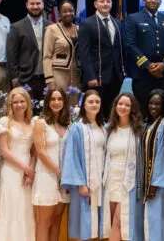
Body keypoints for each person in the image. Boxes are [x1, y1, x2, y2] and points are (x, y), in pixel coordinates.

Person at [61, 89, 106, 240]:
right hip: (84, 183)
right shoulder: (77, 128)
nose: (94, 105)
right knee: (83, 225)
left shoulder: (103, 127)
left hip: (100, 182)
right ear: (83, 105)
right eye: (90, 102)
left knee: (96, 225)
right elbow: (72, 157)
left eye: (97, 102)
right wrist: (81, 183)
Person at [0, 87, 36, 241]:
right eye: (15, 102)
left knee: (25, 210)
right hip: (11, 171)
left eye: (22, 101)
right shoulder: (4, 122)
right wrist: (25, 168)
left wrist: (30, 171)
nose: (19, 105)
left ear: (27, 103)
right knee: (10, 209)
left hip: (28, 172)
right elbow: (4, 151)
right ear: (10, 104)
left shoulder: (33, 123)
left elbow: (34, 151)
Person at [125, 0, 164, 109]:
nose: (153, 0)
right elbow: (130, 44)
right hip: (142, 74)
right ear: (144, 0)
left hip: (163, 74)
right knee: (143, 109)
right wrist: (148, 65)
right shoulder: (133, 18)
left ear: (160, 1)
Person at [78, 0, 126, 119]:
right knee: (96, 112)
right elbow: (84, 52)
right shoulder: (87, 24)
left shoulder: (118, 23)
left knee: (111, 111)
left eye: (108, 1)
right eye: (102, 1)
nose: (105, 4)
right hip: (97, 76)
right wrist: (90, 76)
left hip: (115, 76)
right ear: (95, 4)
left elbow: (120, 49)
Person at [103, 93, 144, 240]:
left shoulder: (139, 130)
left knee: (119, 222)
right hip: (111, 179)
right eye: (120, 104)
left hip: (128, 181)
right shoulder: (108, 128)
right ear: (115, 106)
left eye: (127, 105)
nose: (123, 107)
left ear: (133, 108)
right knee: (112, 221)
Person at [32, 88, 71, 241]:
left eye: (59, 99)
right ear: (47, 102)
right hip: (47, 176)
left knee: (57, 221)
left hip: (65, 179)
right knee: (44, 222)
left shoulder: (68, 124)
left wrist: (66, 175)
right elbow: (41, 152)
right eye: (53, 99)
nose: (56, 102)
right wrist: (59, 172)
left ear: (64, 102)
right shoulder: (40, 123)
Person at [140, 90, 164, 241]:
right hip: (149, 181)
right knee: (152, 221)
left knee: (158, 221)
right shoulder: (148, 124)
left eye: (157, 104)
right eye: (151, 103)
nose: (153, 107)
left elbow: (163, 156)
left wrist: (154, 182)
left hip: (159, 184)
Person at [7, 0, 52, 100]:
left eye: (38, 3)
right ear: (27, 5)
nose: (35, 7)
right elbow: (11, 55)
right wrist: (15, 78)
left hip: (46, 79)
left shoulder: (51, 26)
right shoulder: (16, 27)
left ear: (43, 4)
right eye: (32, 4)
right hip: (25, 79)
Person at [42, 0, 82, 104]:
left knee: (74, 104)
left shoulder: (79, 29)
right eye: (64, 11)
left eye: (70, 11)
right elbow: (47, 56)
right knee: (59, 102)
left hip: (76, 73)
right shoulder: (52, 29)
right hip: (58, 73)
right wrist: (49, 79)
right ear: (59, 14)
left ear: (74, 12)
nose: (68, 13)